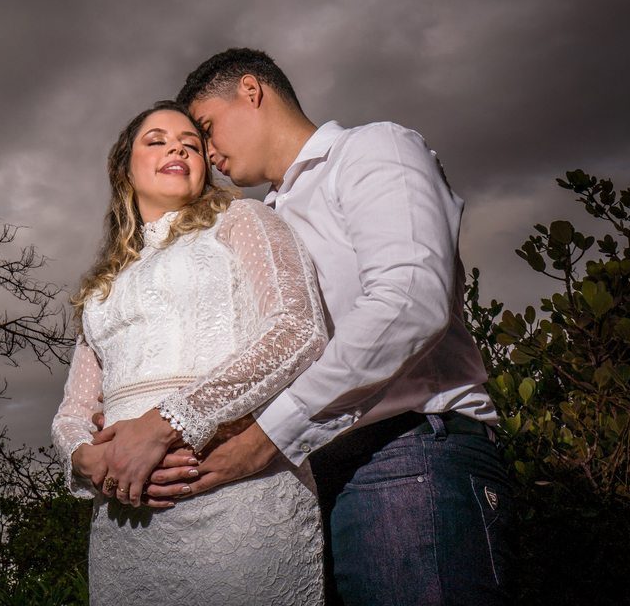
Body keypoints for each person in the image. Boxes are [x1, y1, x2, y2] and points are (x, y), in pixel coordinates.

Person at [143, 48, 515, 605]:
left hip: (410, 456)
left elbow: (409, 300)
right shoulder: (266, 221)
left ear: (251, 91)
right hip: (309, 478)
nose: (207, 152)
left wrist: (267, 437)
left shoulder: (372, 149)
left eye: (207, 128)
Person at [51, 101, 329, 605]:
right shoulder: (101, 287)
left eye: (191, 145)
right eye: (156, 141)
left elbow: (297, 329)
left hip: (234, 505)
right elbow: (74, 411)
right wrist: (88, 459)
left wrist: (170, 421)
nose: (177, 149)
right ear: (124, 169)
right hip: (124, 528)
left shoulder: (242, 220)